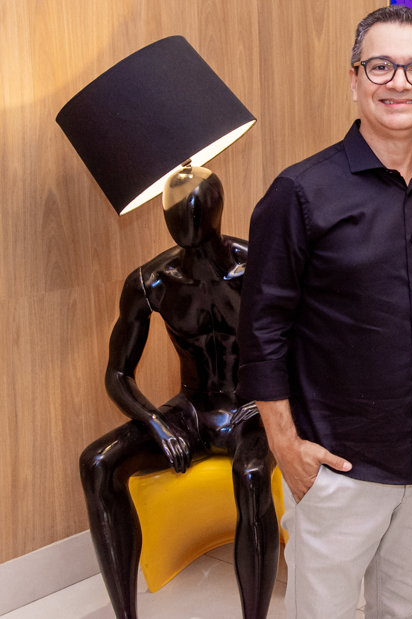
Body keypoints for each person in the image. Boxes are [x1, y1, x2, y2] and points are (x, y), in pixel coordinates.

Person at [237, 5, 412, 619]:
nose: (400, 82)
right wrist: (286, 447)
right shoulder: (299, 193)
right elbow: (261, 332)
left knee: (400, 611)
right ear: (354, 80)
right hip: (336, 468)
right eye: (381, 66)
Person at [79, 167, 279, 619]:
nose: (186, 219)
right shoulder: (151, 281)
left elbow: (305, 341)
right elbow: (117, 374)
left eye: (196, 207)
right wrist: (156, 422)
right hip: (191, 410)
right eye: (175, 211)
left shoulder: (257, 266)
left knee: (251, 475)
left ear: (217, 209)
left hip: (250, 406)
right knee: (97, 463)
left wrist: (269, 397)